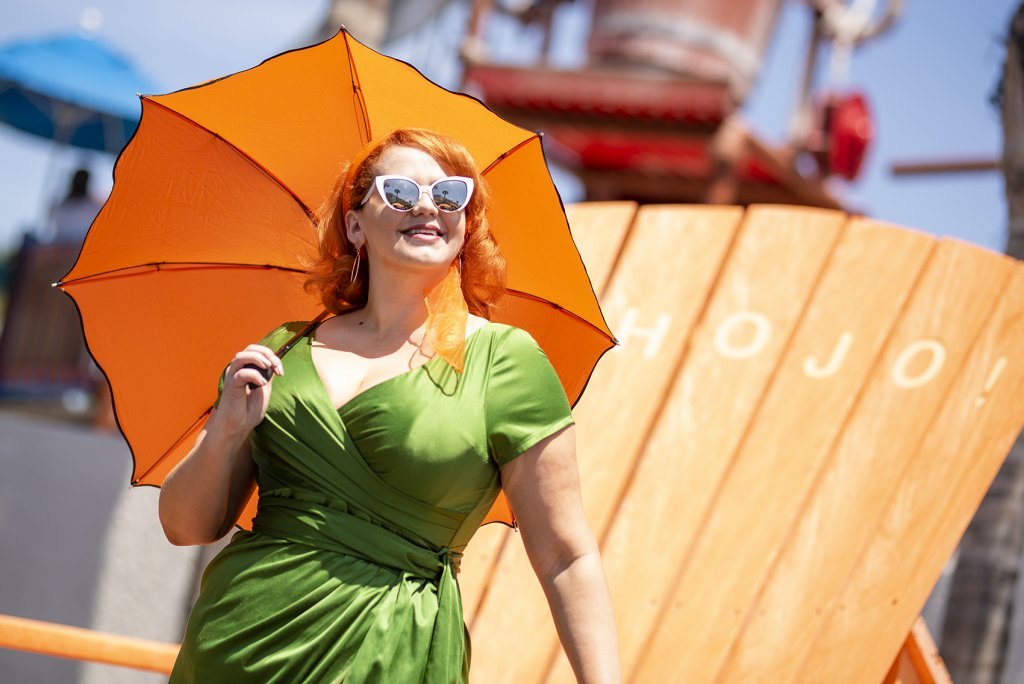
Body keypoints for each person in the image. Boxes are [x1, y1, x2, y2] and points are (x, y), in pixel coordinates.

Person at [159, 128, 621, 682]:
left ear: (465, 224)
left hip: (389, 654)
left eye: (451, 195)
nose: (427, 205)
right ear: (356, 224)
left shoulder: (506, 361)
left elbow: (566, 557)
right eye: (400, 191)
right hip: (235, 645)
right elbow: (185, 527)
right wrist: (225, 432)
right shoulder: (284, 347)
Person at [49, 168, 103, 244]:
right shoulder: (61, 206)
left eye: (82, 180)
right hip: (63, 247)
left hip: (82, 247)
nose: (80, 182)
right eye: (79, 180)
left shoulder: (94, 206)